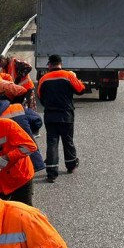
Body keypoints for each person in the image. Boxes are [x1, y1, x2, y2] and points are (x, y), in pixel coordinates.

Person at [36, 54, 86, 183]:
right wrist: (75, 78)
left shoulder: (43, 79)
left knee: (52, 142)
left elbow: (40, 97)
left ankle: (51, 173)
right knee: (67, 140)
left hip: (50, 115)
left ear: (50, 64)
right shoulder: (68, 75)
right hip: (66, 115)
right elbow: (81, 90)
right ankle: (71, 165)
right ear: (60, 63)